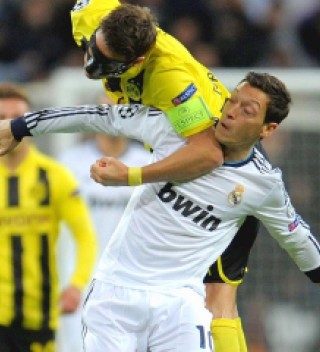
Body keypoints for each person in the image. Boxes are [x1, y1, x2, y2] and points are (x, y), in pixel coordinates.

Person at [1, 72, 320, 352]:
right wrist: (19, 126)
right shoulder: (175, 128)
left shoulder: (263, 185)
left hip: (180, 301)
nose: (231, 112)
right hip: (116, 294)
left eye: (247, 110)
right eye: (232, 100)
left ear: (268, 128)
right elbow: (98, 116)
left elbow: (297, 239)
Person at [69, 0, 251, 351]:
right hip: (181, 170)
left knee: (215, 301)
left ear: (137, 61)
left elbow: (209, 155)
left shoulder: (169, 78)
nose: (90, 63)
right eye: (93, 49)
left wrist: (130, 176)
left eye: (106, 63)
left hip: (226, 178)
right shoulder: (96, 16)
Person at [0, 82, 97, 352]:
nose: (8, 125)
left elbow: (85, 237)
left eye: (17, 118)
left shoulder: (55, 175)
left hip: (39, 311)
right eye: (1, 118)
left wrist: (76, 286)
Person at [56, 96, 151, 352]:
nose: (114, 117)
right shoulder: (68, 163)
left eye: (122, 110)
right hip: (79, 278)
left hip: (134, 278)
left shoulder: (148, 164)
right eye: (105, 111)